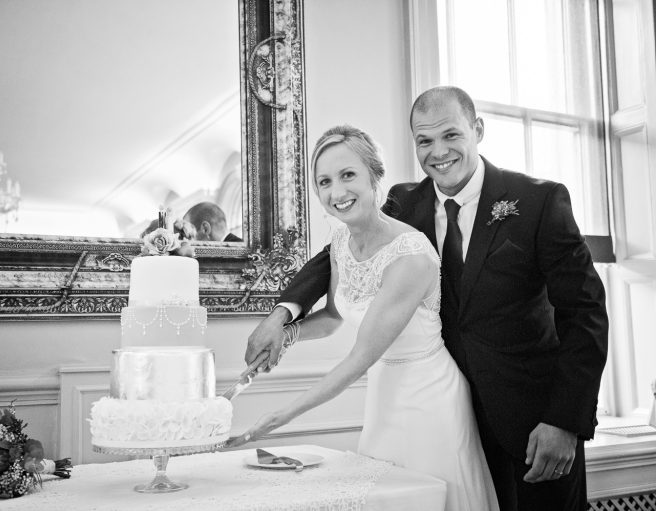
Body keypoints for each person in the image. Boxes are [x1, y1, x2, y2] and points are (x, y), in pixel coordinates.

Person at [242, 87, 608, 511]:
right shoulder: (403, 203)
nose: (438, 152)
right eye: (424, 140)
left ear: (478, 130)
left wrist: (565, 420)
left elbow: (585, 314)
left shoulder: (538, 200)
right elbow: (337, 256)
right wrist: (282, 317)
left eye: (451, 135)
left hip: (531, 423)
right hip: (445, 417)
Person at [228, 125, 499, 511]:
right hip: (385, 394)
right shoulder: (341, 243)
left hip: (429, 401)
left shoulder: (410, 255)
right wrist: (286, 336)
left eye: (348, 175)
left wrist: (280, 415)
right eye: (324, 181)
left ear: (375, 177)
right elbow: (335, 317)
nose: (337, 192)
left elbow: (359, 357)